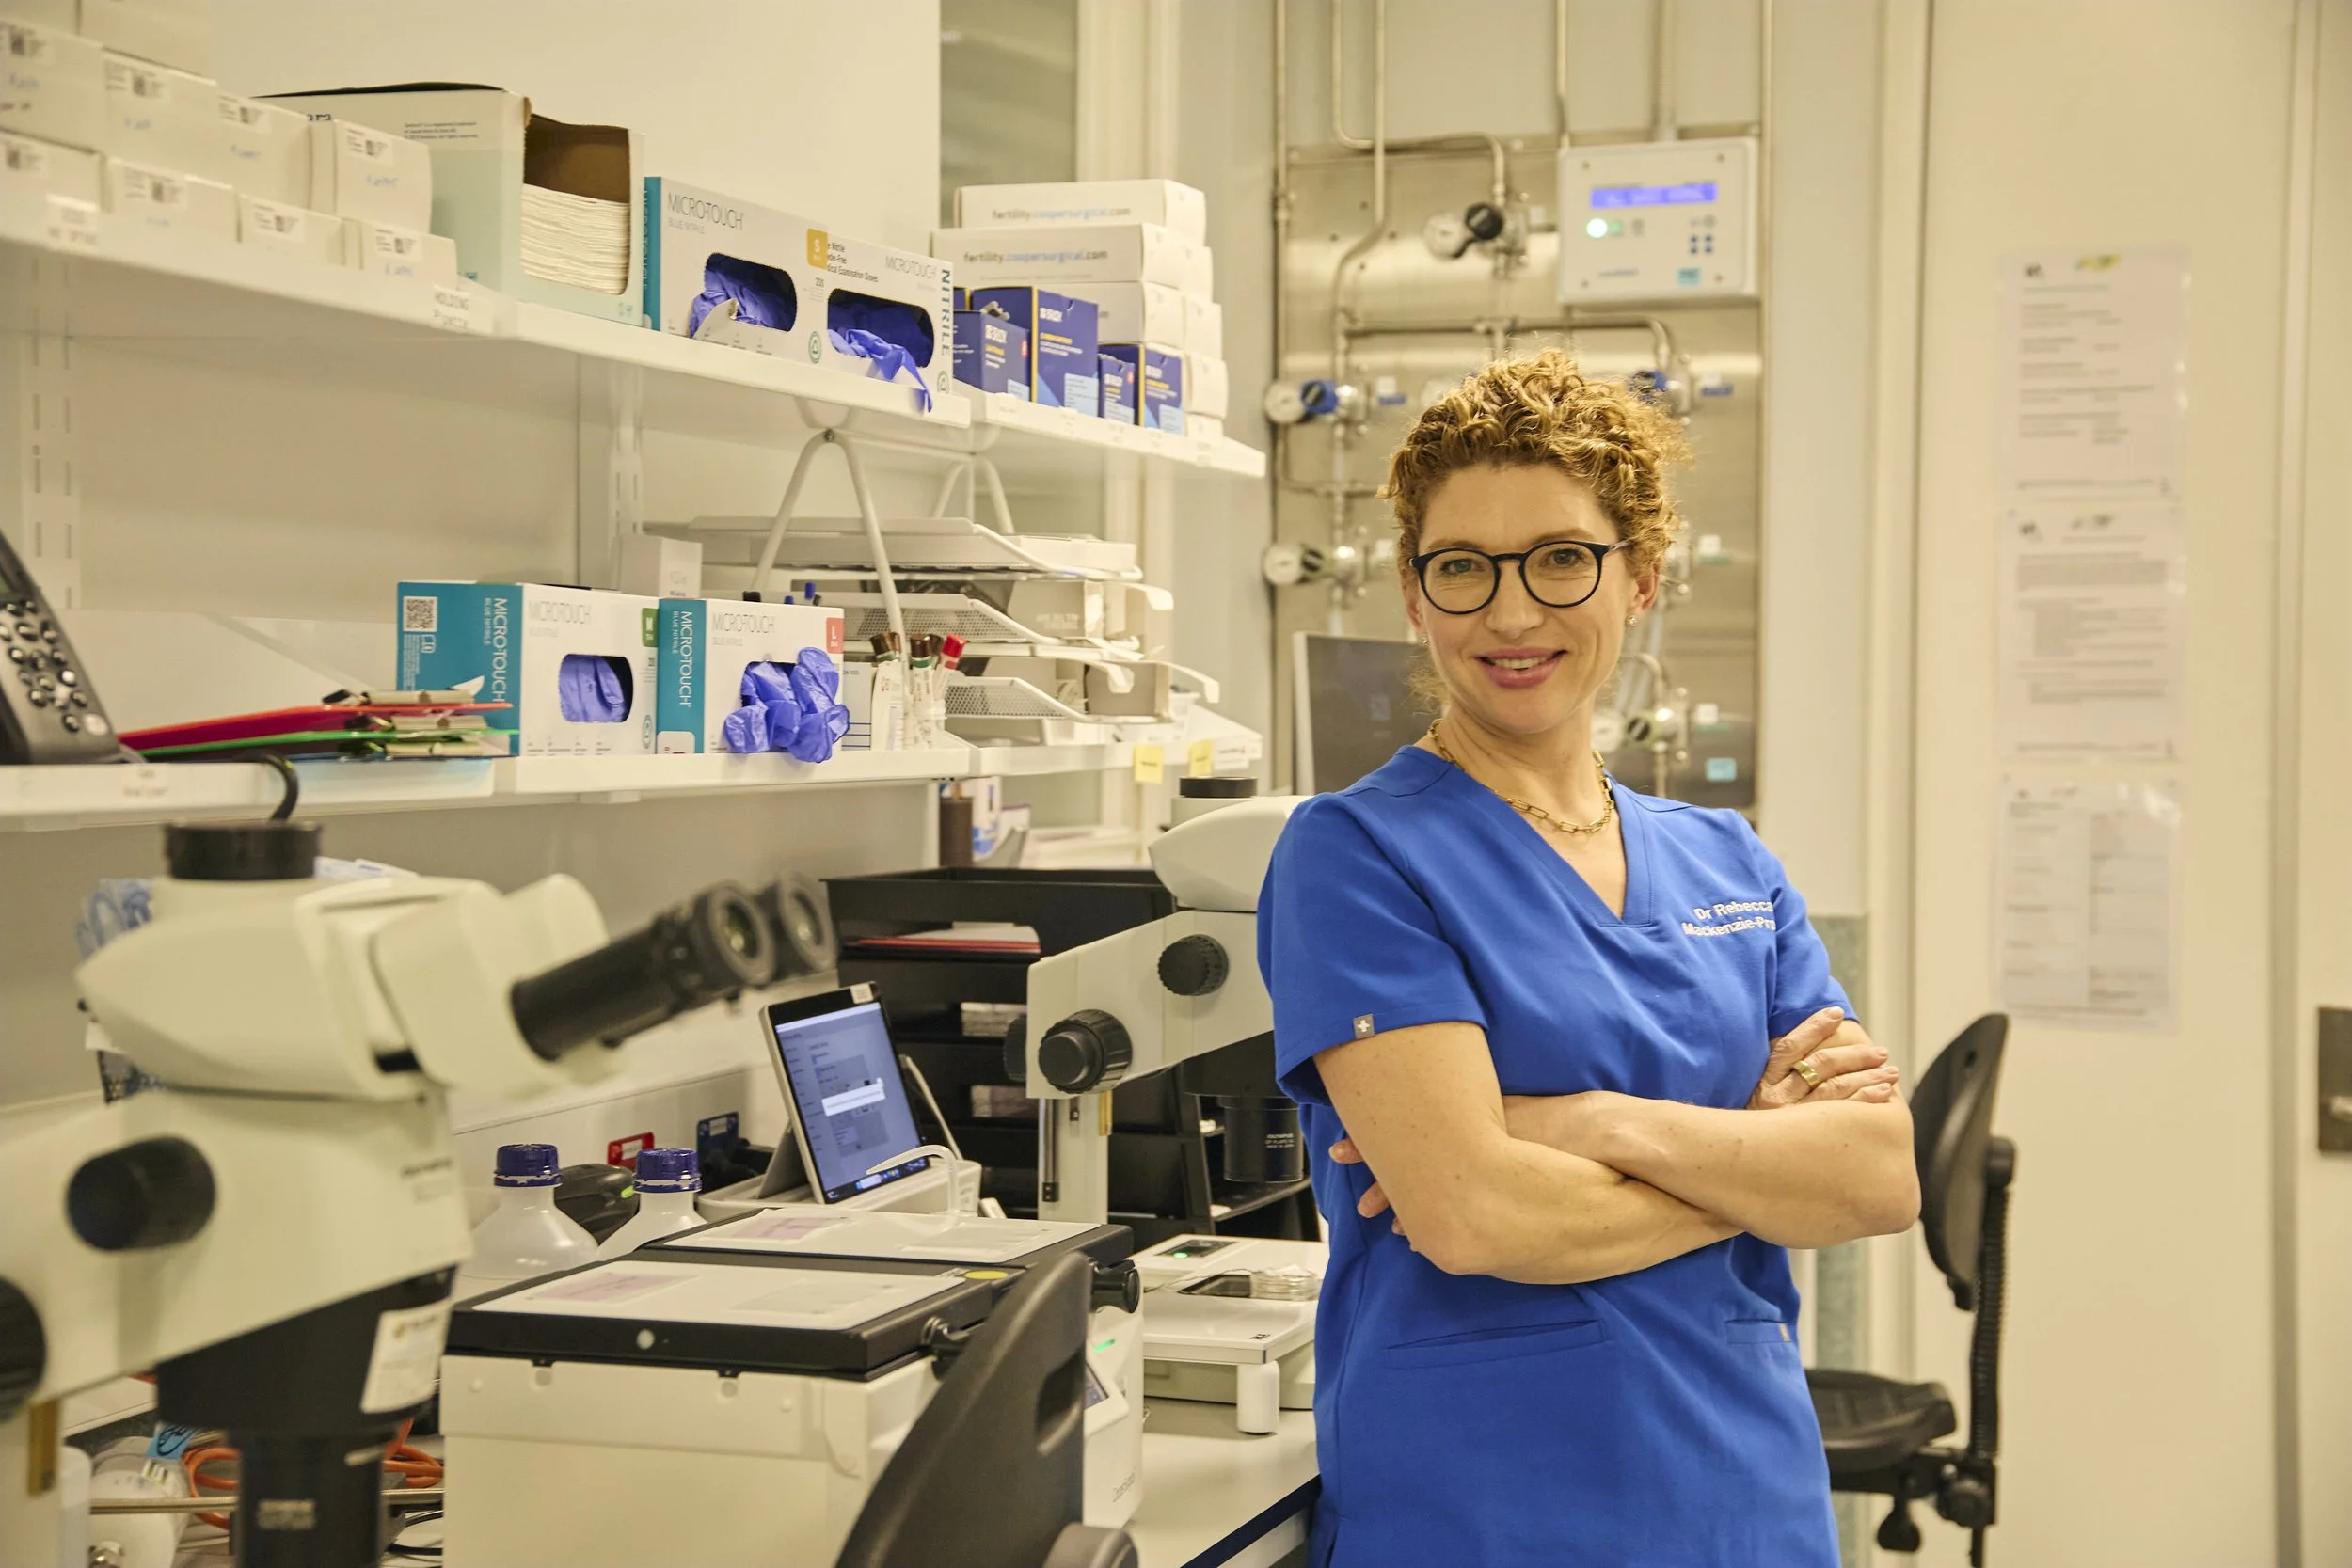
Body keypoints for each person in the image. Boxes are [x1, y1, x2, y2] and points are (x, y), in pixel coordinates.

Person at [1258, 350, 1919, 1567]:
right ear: (1414, 594)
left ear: (1642, 578)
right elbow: (1470, 1213)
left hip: (1749, 1505)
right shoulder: (1354, 856)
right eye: (1462, 567)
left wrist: (1587, 1121)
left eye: (1563, 558)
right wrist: (1752, 1157)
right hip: (1490, 1514)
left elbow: (1875, 1177)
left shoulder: (1729, 862)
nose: (1512, 614)